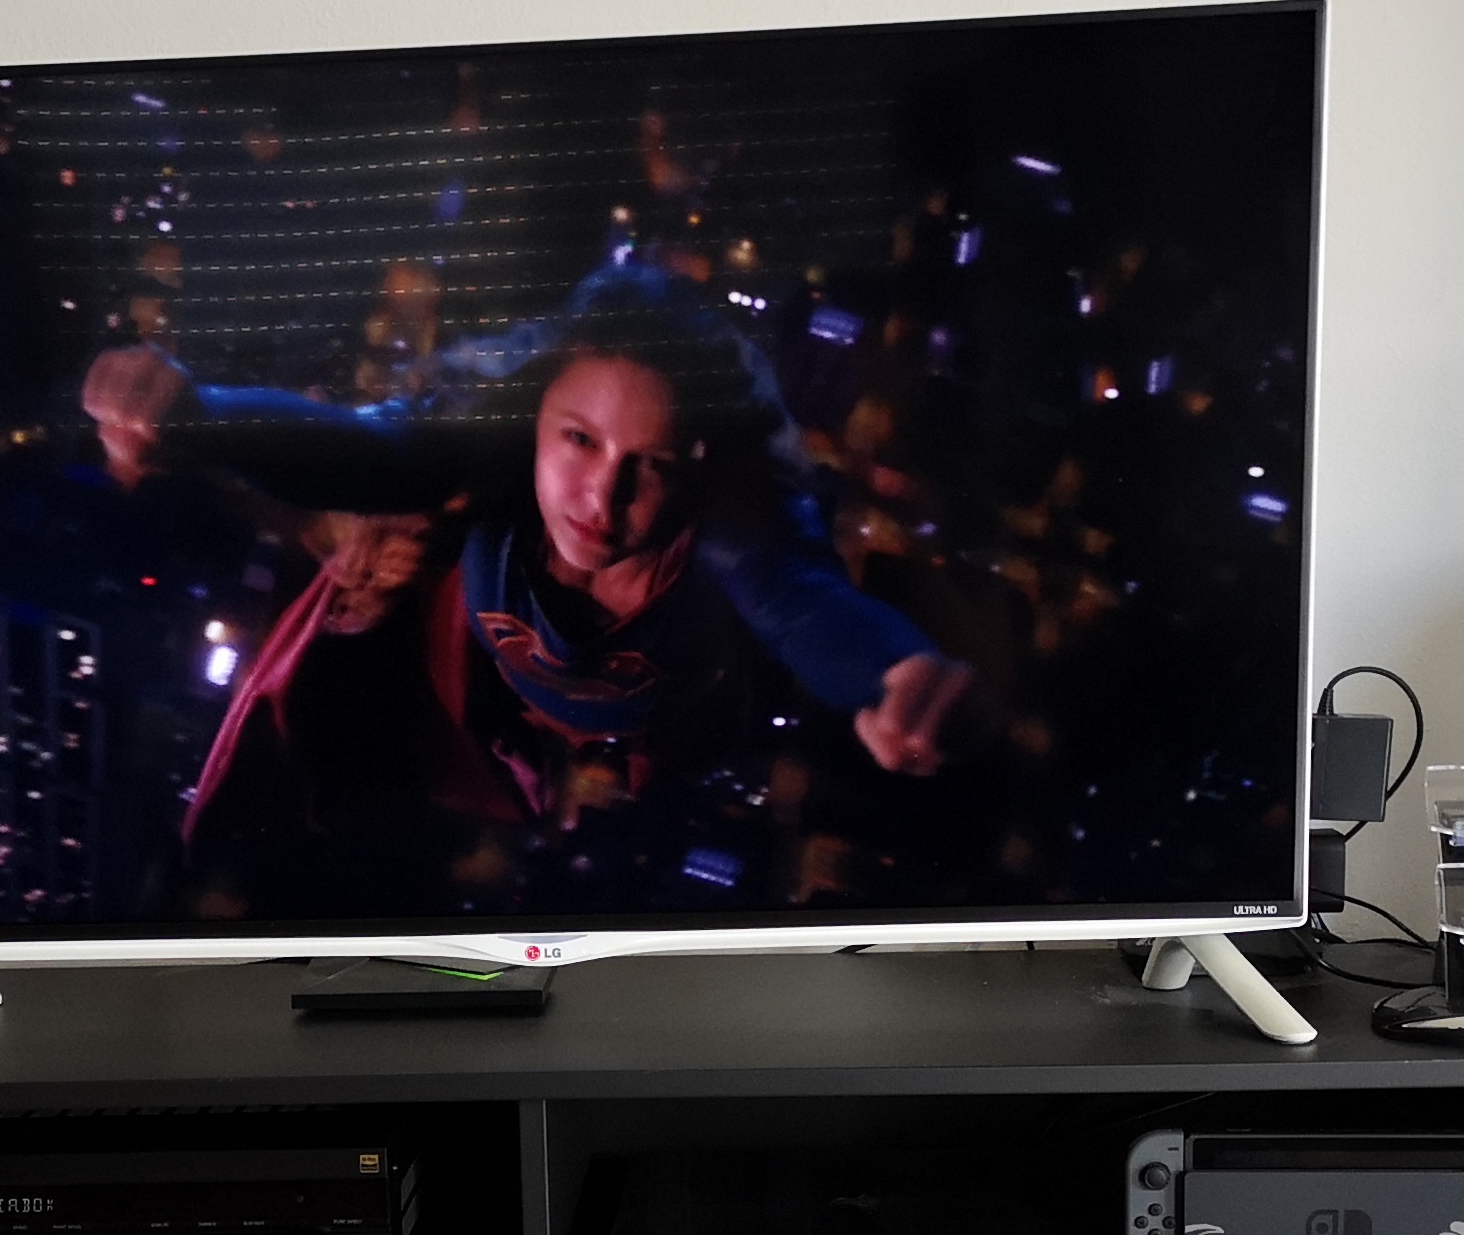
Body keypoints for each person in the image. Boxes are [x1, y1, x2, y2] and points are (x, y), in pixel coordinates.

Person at [89, 266, 975, 866]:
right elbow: (367, 451)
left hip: (662, 743)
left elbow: (798, 598)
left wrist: (890, 672)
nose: (602, 498)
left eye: (651, 464)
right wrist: (201, 417)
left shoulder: (731, 523)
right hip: (479, 714)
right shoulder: (490, 454)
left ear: (698, 462)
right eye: (579, 441)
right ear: (535, 418)